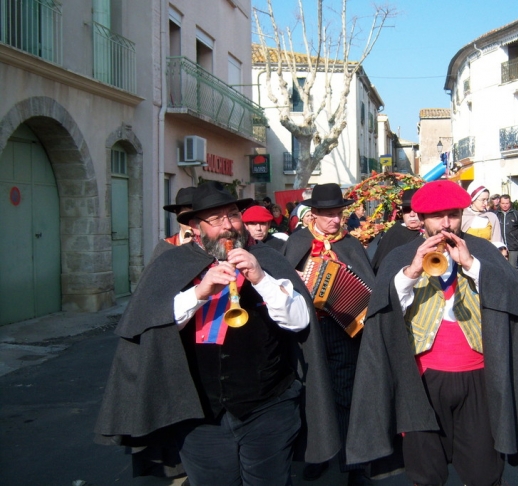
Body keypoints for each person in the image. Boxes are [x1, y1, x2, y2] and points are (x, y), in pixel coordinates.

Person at [95, 182, 340, 486]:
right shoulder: (171, 262)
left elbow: (300, 321)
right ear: (196, 228)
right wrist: (200, 291)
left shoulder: (269, 258)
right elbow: (152, 326)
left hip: (268, 408)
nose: (228, 226)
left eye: (233, 215)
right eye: (216, 219)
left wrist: (261, 278)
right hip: (198, 414)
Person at [346, 180, 518, 485]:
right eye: (437, 216)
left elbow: (516, 303)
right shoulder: (402, 255)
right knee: (426, 475)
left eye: (453, 215)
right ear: (421, 218)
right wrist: (410, 273)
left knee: (485, 474)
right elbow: (384, 316)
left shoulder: (482, 251)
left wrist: (471, 264)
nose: (446, 224)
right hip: (422, 382)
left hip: (479, 378)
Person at [284, 183, 375, 486]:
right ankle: (317, 456)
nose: (336, 220)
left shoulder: (351, 245)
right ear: (314, 214)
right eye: (329, 215)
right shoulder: (297, 242)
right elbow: (280, 286)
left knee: (347, 393)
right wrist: (296, 280)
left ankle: (354, 463)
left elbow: (366, 286)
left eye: (338, 214)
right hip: (308, 330)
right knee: (311, 392)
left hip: (344, 329)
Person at [371, 188, 424, 274]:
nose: (412, 214)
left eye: (416, 209)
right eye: (407, 209)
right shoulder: (394, 234)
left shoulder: (430, 231)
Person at [496, 194, 518, 270]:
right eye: (503, 203)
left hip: (513, 246)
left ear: (510, 203)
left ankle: (516, 281)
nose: (505, 205)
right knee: (501, 267)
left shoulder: (515, 214)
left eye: (507, 203)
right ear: (499, 203)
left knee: (513, 268)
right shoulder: (496, 214)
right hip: (500, 246)